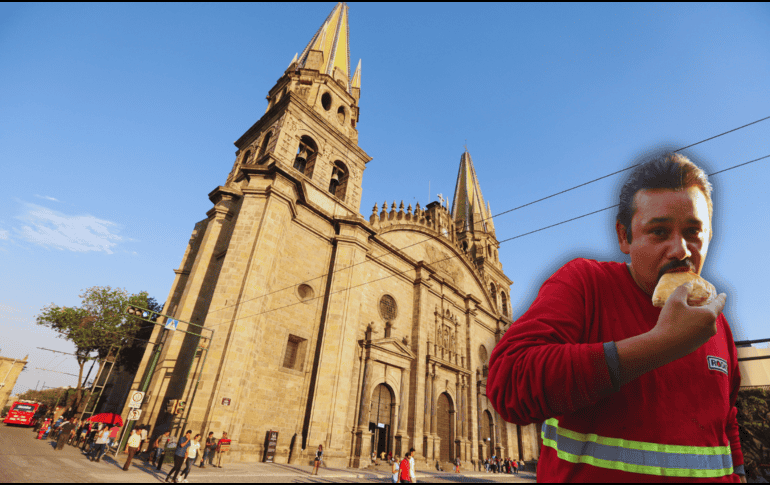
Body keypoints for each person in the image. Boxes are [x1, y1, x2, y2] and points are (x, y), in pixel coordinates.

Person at [487, 152, 747, 482]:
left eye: (694, 231)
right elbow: (508, 383)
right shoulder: (584, 284)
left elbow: (726, 421)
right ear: (624, 237)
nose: (680, 249)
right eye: (659, 232)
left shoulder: (717, 324)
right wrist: (659, 345)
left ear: (709, 235)